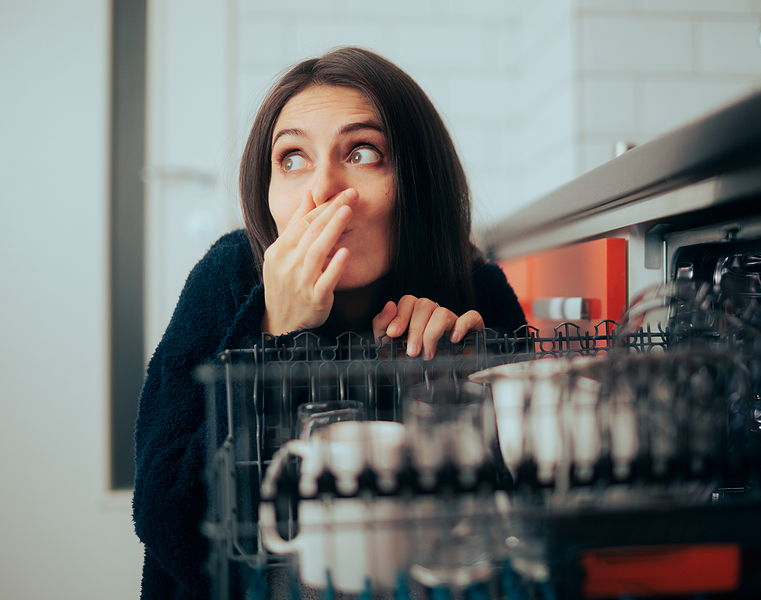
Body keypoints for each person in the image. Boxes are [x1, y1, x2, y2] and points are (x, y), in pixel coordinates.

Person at [132, 47, 527, 598]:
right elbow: (170, 526)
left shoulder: (473, 289)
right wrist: (274, 335)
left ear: (417, 181)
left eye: (362, 152)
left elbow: (527, 524)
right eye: (291, 158)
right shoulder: (230, 275)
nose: (320, 190)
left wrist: (462, 385)